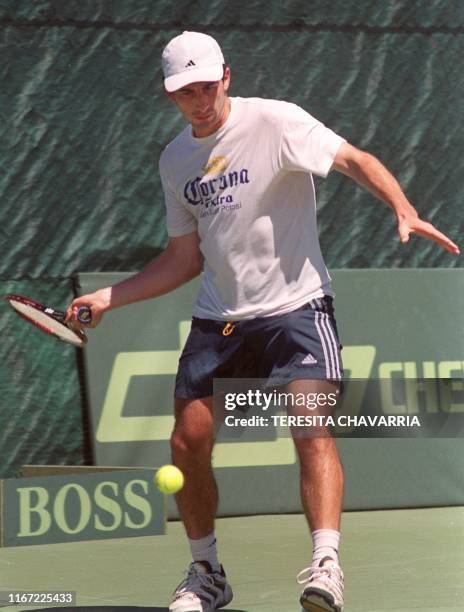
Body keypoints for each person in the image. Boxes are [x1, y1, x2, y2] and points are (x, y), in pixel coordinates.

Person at [68, 31, 459, 612]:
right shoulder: (176, 159)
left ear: (226, 76)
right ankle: (207, 573)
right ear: (170, 94)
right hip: (219, 318)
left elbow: (353, 158)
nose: (199, 102)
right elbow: (184, 258)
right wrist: (108, 297)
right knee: (187, 442)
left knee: (310, 426)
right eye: (185, 93)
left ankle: (326, 566)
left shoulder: (276, 122)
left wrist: (402, 206)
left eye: (206, 87)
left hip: (297, 307)